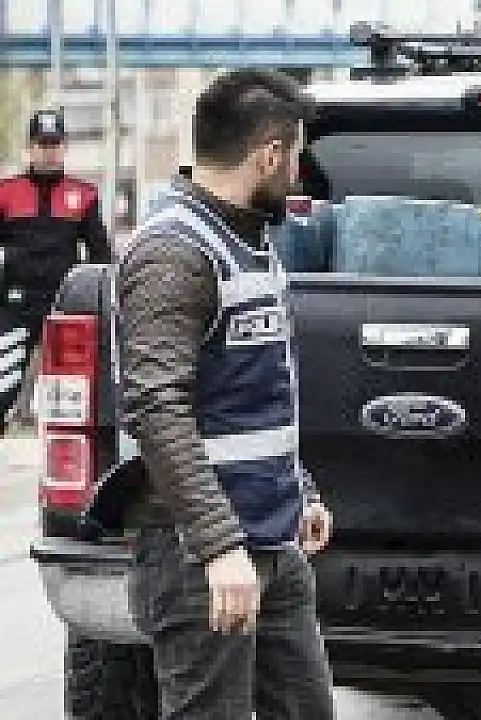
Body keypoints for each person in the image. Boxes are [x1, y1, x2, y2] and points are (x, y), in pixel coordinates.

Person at [115, 69, 335, 719]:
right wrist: (218, 546)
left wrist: (300, 488)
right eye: (294, 158)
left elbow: (251, 393)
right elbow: (156, 405)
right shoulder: (173, 253)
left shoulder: (248, 241)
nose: (297, 175)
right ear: (268, 155)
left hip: (269, 541)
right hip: (200, 556)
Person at [0, 109, 112, 433]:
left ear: (64, 147)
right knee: (2, 387)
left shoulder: (84, 195)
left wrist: (98, 302)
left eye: (55, 144)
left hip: (65, 307)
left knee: (73, 398)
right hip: (15, 305)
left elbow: (101, 256)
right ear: (30, 147)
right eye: (42, 144)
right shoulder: (6, 192)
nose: (49, 151)